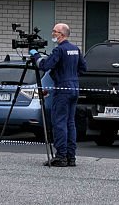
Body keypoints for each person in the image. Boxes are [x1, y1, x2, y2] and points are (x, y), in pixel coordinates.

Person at [29, 23, 86, 166]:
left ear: (62, 34)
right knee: (70, 123)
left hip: (63, 89)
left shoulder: (59, 50)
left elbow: (45, 66)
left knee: (59, 122)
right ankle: (70, 156)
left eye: (55, 31)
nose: (53, 34)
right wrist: (70, 75)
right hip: (74, 87)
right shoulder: (75, 49)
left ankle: (61, 156)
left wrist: (35, 55)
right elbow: (83, 68)